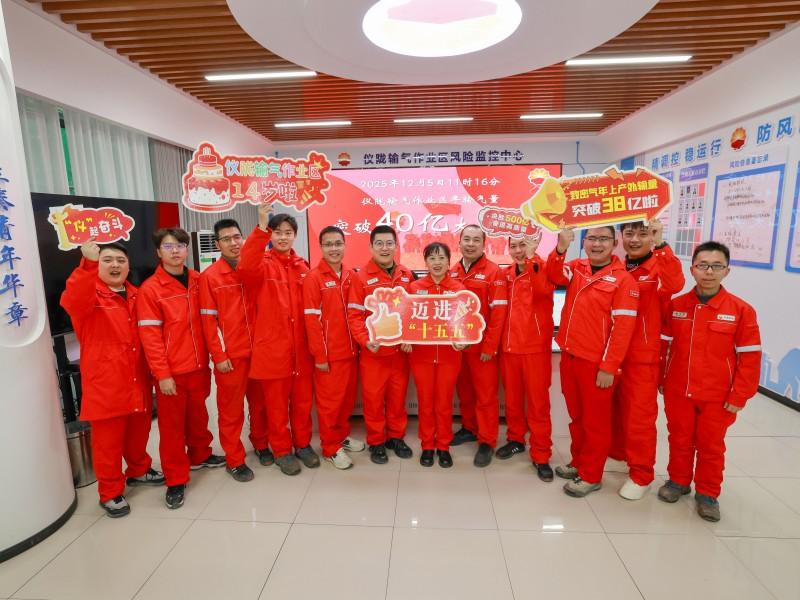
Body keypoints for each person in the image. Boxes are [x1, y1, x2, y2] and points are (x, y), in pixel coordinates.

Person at [60, 239, 164, 517]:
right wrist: (87, 264)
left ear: (128, 266)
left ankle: (139, 470)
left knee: (139, 432)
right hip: (106, 384)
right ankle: (110, 492)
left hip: (138, 378)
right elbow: (72, 298)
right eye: (107, 260)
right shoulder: (88, 296)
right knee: (108, 443)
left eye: (121, 260)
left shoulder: (138, 295)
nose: (115, 265)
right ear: (97, 265)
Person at [658, 241, 761, 522]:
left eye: (716, 266)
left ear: (727, 271)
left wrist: (739, 395)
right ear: (692, 269)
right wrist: (661, 379)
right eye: (703, 265)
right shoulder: (677, 306)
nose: (709, 272)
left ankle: (707, 493)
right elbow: (663, 346)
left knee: (710, 446)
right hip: (678, 389)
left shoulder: (741, 310)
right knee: (679, 438)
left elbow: (750, 358)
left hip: (718, 395)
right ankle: (678, 481)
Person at [546, 226, 639, 497]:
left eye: (603, 239)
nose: (597, 244)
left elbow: (622, 330)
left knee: (595, 423)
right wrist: (560, 248)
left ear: (615, 242)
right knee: (577, 417)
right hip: (570, 356)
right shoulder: (577, 268)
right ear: (584, 241)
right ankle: (578, 461)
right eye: (592, 239)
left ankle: (591, 475)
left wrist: (609, 367)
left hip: (596, 364)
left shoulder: (623, 281)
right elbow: (553, 275)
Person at [138, 228, 224, 510]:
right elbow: (150, 338)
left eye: (180, 245)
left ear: (187, 249)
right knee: (172, 429)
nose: (175, 251)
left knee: (199, 416)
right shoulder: (151, 289)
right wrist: (162, 374)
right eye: (168, 246)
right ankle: (175, 478)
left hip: (199, 366)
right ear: (158, 252)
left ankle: (200, 455)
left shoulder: (199, 280)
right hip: (172, 372)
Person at [238, 205, 319, 476]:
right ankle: (282, 450)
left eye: (288, 233)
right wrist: (262, 227)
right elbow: (246, 266)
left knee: (302, 403)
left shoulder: (303, 266)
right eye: (278, 232)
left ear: (295, 236)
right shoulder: (262, 264)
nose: (283, 237)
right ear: (270, 235)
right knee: (276, 407)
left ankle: (303, 444)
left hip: (301, 350)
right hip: (274, 349)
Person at [610, 219, 685, 500]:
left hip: (641, 356)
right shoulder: (617, 267)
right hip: (611, 353)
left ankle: (641, 474)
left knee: (639, 417)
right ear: (621, 236)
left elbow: (675, 283)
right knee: (615, 411)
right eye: (629, 233)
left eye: (643, 234)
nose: (635, 239)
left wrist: (661, 244)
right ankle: (619, 453)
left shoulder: (658, 268)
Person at [199, 219, 270, 483]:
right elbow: (208, 321)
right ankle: (235, 459)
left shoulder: (254, 269)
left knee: (260, 405)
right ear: (217, 244)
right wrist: (219, 356)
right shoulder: (210, 277)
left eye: (237, 237)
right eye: (226, 239)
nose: (233, 243)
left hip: (260, 353)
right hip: (232, 357)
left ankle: (261, 443)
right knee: (231, 410)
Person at [347, 225, 415, 464]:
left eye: (389, 243)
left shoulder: (406, 275)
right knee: (374, 400)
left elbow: (414, 312)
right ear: (371, 247)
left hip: (400, 352)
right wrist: (365, 341)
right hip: (374, 353)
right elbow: (354, 315)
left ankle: (396, 437)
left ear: (396, 246)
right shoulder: (361, 277)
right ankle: (376, 441)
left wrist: (410, 337)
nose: (385, 248)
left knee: (397, 398)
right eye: (379, 244)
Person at [303, 225, 364, 470]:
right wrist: (320, 355)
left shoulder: (351, 276)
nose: (334, 249)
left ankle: (341, 436)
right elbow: (311, 320)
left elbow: (357, 314)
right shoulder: (313, 278)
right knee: (330, 405)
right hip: (329, 355)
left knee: (347, 401)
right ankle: (330, 447)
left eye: (338, 243)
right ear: (321, 247)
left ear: (344, 245)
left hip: (351, 352)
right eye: (328, 244)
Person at [497, 235, 556, 482]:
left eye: (523, 245)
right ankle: (515, 439)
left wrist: (532, 259)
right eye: (514, 246)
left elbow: (542, 290)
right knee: (512, 401)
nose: (518, 250)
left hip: (534, 349)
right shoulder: (505, 274)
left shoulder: (543, 269)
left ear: (533, 245)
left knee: (538, 405)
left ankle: (541, 455)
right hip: (509, 348)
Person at [451, 225, 508, 468]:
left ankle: (487, 441)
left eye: (476, 240)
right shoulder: (452, 272)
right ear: (459, 243)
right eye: (466, 239)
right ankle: (469, 427)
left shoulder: (494, 272)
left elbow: (499, 314)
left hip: (482, 348)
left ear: (484, 244)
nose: (471, 244)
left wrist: (490, 347)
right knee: (464, 392)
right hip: (458, 347)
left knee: (485, 396)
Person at [406, 242, 467, 467]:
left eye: (441, 258)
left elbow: (465, 322)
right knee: (425, 403)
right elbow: (406, 319)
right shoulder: (414, 288)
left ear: (449, 262)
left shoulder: (459, 289)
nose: (437, 262)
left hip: (450, 356)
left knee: (443, 403)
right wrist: (406, 339)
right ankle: (427, 446)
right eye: (432, 258)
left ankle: (443, 446)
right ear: (426, 262)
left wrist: (463, 340)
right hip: (421, 356)